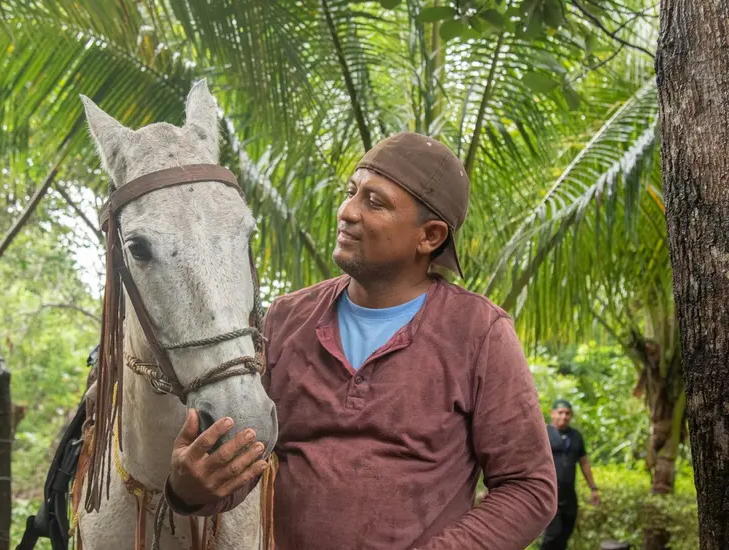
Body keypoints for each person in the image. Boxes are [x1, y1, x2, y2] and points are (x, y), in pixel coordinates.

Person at [165, 132, 557, 549]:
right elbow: (247, 464)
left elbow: (529, 487)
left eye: (375, 202)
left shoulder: (479, 332)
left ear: (431, 236)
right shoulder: (287, 319)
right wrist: (192, 489)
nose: (347, 212)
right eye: (351, 192)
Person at [541, 399, 601, 550]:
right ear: (552, 413)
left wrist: (593, 488)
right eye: (560, 412)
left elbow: (584, 463)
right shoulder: (544, 433)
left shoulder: (576, 437)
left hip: (569, 496)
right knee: (552, 536)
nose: (564, 416)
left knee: (564, 536)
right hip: (550, 495)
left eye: (567, 413)